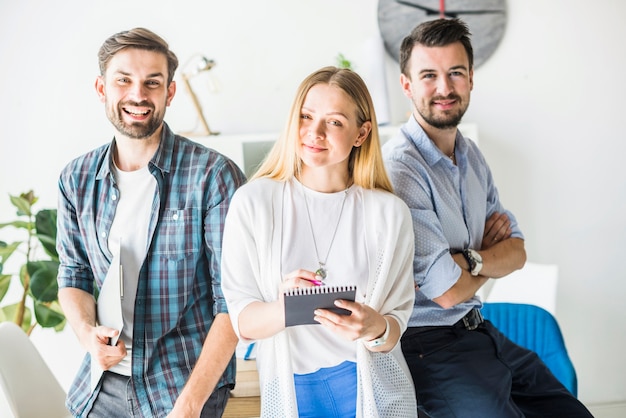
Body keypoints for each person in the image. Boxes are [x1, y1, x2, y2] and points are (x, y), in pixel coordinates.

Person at [382, 18, 593, 417]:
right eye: (429, 75)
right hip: (430, 345)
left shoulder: (471, 156)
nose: (444, 88)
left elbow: (516, 250)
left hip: (479, 328)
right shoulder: (402, 170)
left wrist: (469, 263)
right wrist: (484, 258)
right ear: (407, 85)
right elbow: (445, 292)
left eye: (455, 73)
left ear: (471, 79)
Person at [56, 27, 246, 418]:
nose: (138, 95)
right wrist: (87, 334)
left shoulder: (213, 176)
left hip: (181, 386)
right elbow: (72, 275)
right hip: (101, 388)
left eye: (152, 83)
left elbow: (232, 301)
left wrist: (190, 405)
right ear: (101, 88)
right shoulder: (75, 178)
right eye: (123, 80)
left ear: (169, 93)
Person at [221, 66, 417, 417]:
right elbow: (243, 322)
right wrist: (285, 306)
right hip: (293, 389)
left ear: (362, 133)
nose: (314, 132)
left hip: (370, 387)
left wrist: (374, 327)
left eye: (335, 122)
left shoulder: (390, 214)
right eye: (306, 116)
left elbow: (394, 329)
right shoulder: (253, 203)